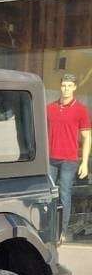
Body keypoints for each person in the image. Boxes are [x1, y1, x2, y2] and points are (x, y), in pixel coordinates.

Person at [47, 73, 91, 237]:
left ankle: (61, 232)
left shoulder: (81, 110)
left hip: (69, 160)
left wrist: (84, 162)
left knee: (64, 194)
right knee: (49, 195)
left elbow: (87, 137)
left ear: (74, 87)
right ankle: (48, 230)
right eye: (63, 85)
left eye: (69, 86)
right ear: (60, 86)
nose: (66, 89)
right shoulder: (50, 108)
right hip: (50, 159)